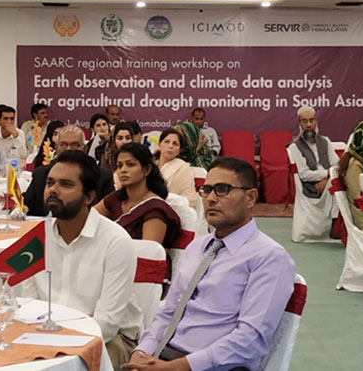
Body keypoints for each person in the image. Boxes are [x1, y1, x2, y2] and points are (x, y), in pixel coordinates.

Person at [123, 156, 295, 370]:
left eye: (222, 189)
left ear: (250, 198)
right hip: (163, 357)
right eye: (207, 190)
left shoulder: (269, 257)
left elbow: (250, 339)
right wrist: (142, 352)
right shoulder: (197, 247)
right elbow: (169, 312)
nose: (211, 199)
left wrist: (179, 367)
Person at [21, 150, 142, 367]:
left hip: (109, 340)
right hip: (45, 336)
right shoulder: (36, 237)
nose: (53, 190)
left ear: (89, 196)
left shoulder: (116, 241)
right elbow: (28, 305)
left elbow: (107, 323)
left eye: (66, 184)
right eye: (50, 183)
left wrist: (59, 350)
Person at [95, 143, 182, 253]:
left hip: (143, 267)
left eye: (130, 165)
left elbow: (148, 255)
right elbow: (88, 220)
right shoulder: (116, 198)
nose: (123, 170)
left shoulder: (155, 209)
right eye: (119, 166)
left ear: (146, 170)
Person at [24, 125, 114, 216]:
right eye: (63, 145)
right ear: (56, 147)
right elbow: (26, 205)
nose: (69, 149)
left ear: (84, 148)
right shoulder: (41, 174)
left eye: (74, 145)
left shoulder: (103, 177)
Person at [288, 106, 339, 228]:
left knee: (341, 181)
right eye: (304, 121)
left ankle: (339, 222)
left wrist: (327, 179)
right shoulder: (294, 147)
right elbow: (304, 175)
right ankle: (335, 223)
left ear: (316, 121)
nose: (309, 124)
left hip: (329, 181)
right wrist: (328, 174)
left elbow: (337, 165)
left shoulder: (325, 141)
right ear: (299, 123)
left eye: (312, 120)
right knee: (338, 183)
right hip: (312, 187)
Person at [156, 129, 198, 208]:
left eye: (175, 144)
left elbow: (191, 200)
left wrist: (167, 201)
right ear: (159, 145)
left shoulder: (183, 168)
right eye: (167, 142)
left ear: (179, 151)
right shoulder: (149, 165)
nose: (170, 146)